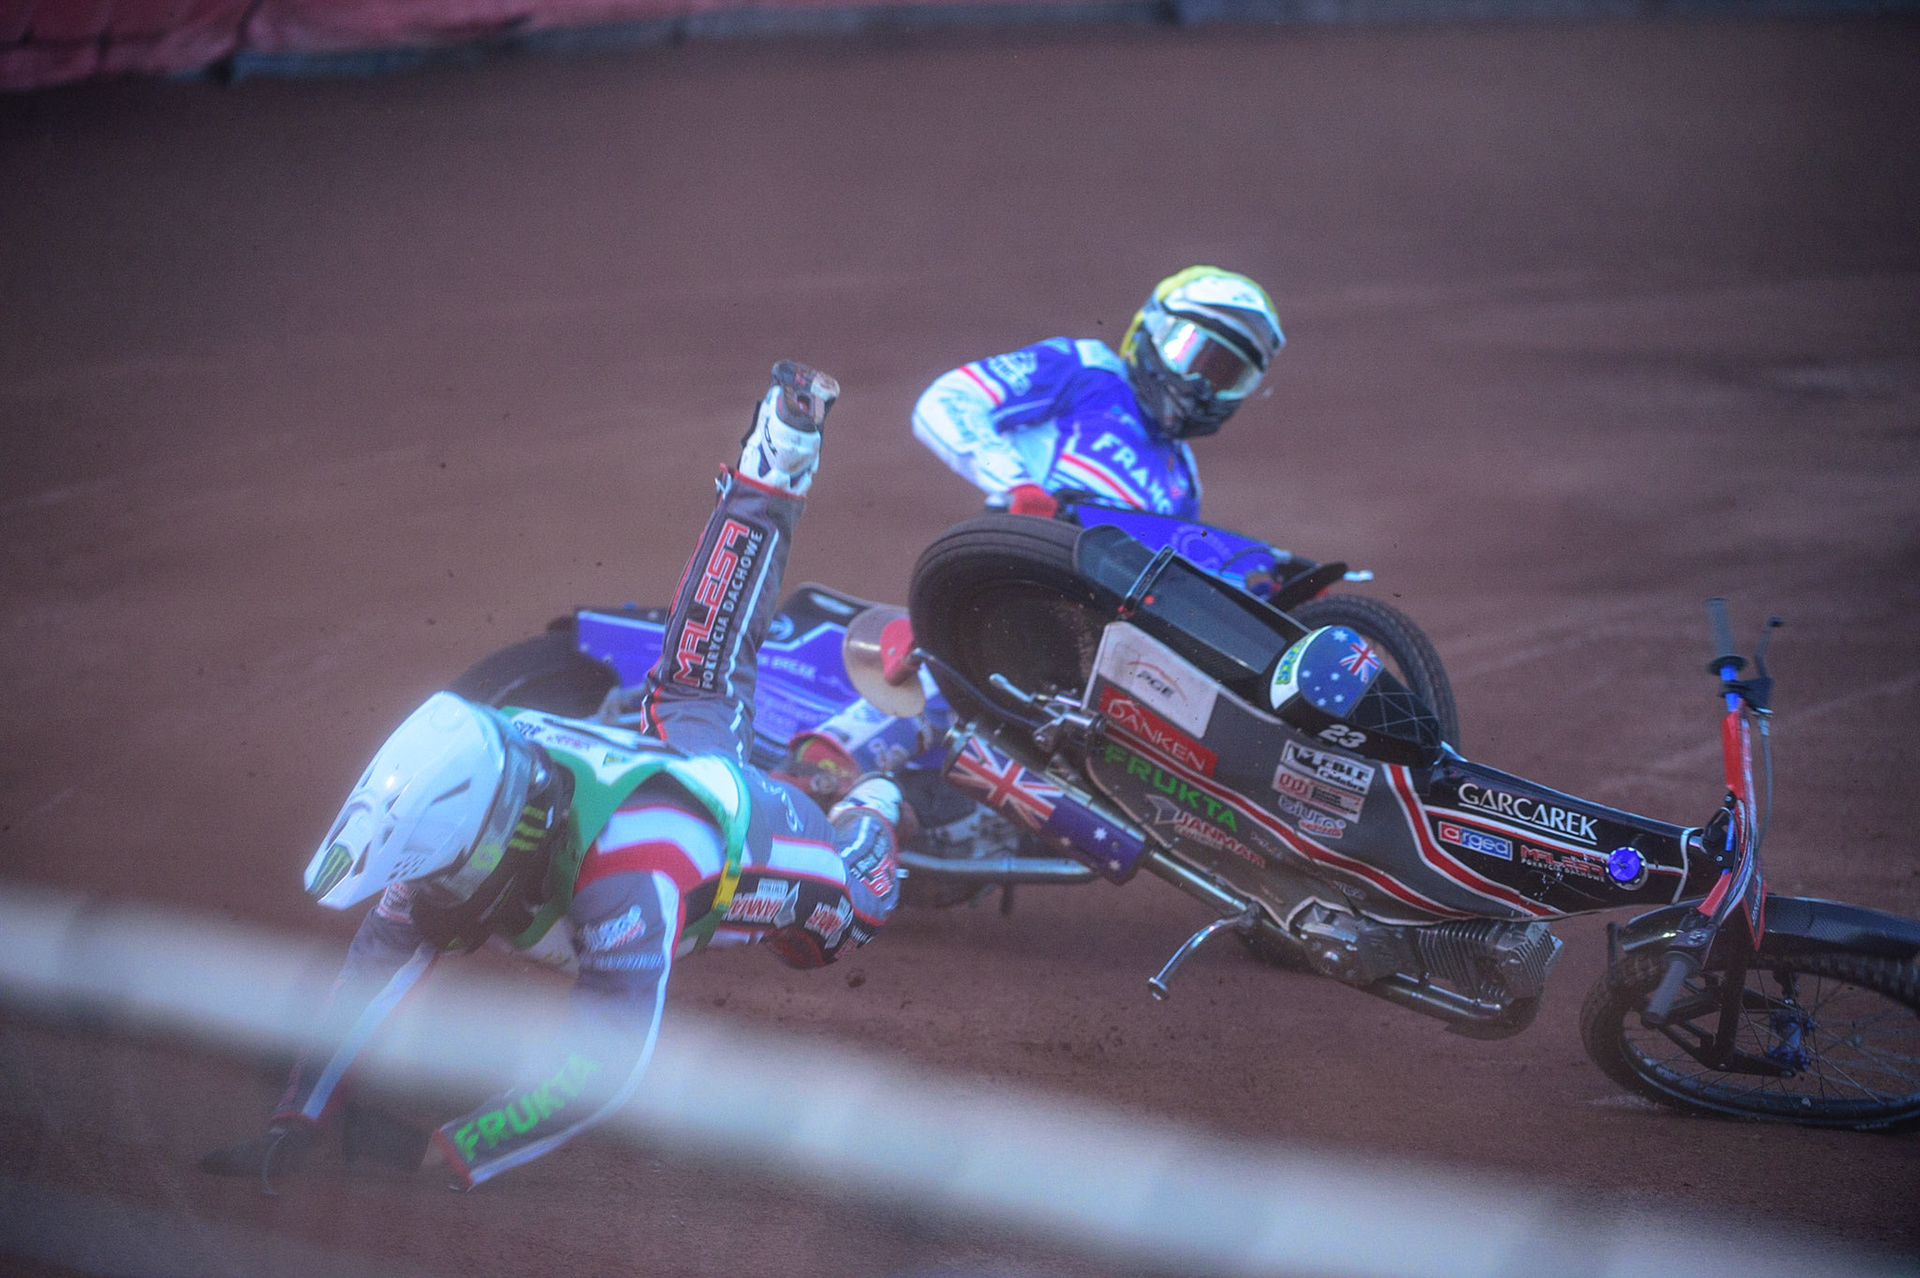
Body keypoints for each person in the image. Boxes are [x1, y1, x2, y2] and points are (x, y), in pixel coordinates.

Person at [200, 361, 903, 1191]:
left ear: (505, 839)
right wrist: (297, 1121)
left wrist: (446, 1152)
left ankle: (885, 791)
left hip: (735, 834)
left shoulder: (631, 882)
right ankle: (780, 450)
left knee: (856, 909)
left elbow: (597, 1073)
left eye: (436, 879)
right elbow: (377, 960)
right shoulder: (476, 799)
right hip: (667, 745)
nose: (422, 898)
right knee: (697, 671)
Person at [911, 266, 1283, 520]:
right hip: (1014, 566)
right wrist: (1016, 484)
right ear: (1152, 330)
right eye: (1190, 354)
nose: (1202, 385)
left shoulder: (1183, 479)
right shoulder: (1085, 369)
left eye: (1226, 377)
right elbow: (947, 400)